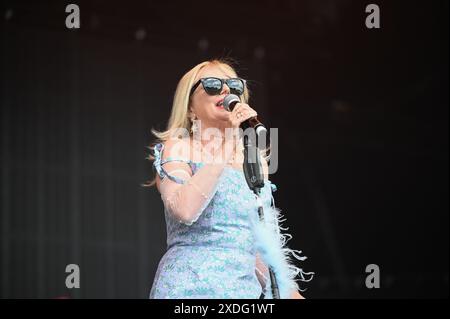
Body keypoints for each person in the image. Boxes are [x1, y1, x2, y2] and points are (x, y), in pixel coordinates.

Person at [146, 59, 313, 299]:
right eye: (213, 85)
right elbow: (184, 210)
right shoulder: (178, 148)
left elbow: (256, 245)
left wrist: (290, 293)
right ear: (190, 106)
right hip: (190, 288)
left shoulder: (253, 161)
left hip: (243, 293)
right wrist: (229, 141)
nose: (226, 91)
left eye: (234, 86)